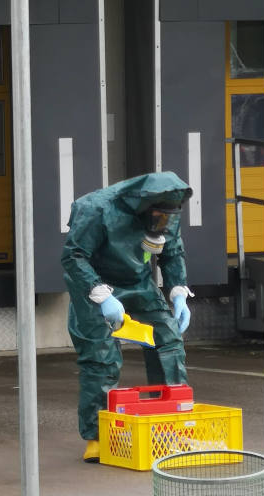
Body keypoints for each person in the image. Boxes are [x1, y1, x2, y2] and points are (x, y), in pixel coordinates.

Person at [61, 172, 195, 463]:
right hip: (94, 284)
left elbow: (172, 253)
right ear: (144, 207)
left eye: (168, 217)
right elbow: (74, 257)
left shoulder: (167, 211)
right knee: (101, 357)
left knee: (169, 342)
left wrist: (178, 293)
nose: (163, 223)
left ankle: (170, 425)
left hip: (138, 283)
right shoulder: (96, 209)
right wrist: (102, 296)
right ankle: (97, 437)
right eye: (158, 216)